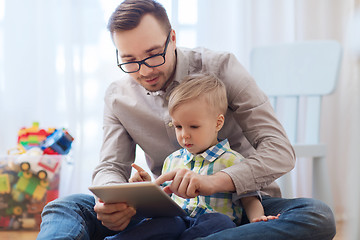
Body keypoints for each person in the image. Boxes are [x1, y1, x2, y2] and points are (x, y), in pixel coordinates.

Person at [37, 0, 336, 239]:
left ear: (173, 39)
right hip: (166, 213)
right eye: (129, 60)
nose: (144, 70)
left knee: (316, 215)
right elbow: (110, 167)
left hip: (239, 207)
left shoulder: (222, 67)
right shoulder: (118, 96)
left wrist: (215, 182)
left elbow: (279, 149)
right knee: (65, 207)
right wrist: (116, 200)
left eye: (153, 54)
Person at [105, 74, 280, 240]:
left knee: (221, 222)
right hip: (178, 221)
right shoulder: (172, 160)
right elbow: (164, 202)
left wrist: (259, 221)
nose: (184, 135)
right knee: (166, 224)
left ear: (218, 123)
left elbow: (250, 199)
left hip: (211, 223)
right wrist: (146, 187)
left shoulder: (233, 161)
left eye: (194, 127)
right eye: (178, 126)